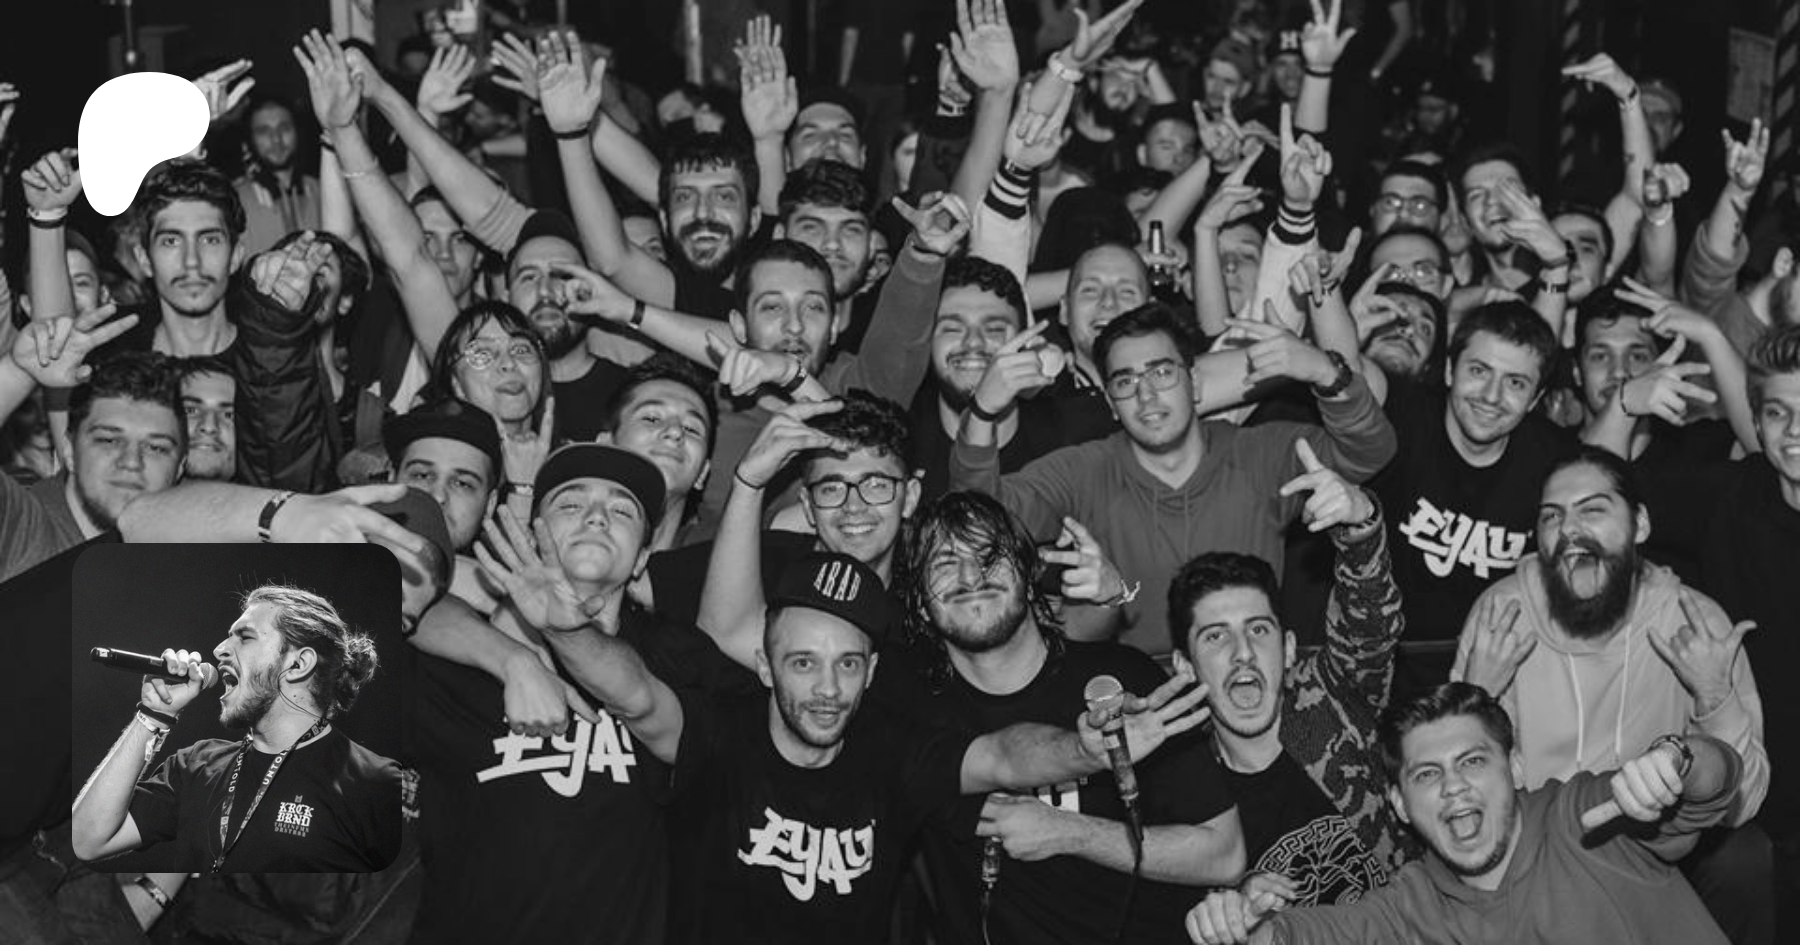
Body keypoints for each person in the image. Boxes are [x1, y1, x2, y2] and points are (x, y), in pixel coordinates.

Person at [498, 539, 1209, 945]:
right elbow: (636, 693)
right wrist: (563, 630)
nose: (827, 688)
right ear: (765, 665)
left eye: (847, 664)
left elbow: (999, 754)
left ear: (871, 672)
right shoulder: (720, 731)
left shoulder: (892, 750)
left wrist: (1086, 750)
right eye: (803, 662)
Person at [881, 491, 1245, 945]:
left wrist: (1072, 833)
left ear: (1029, 574)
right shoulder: (911, 706)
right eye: (945, 563)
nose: (971, 576)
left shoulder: (1122, 681)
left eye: (990, 556)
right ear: (918, 602)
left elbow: (1225, 854)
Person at [1452, 446, 1772, 943]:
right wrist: (1476, 695)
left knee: (1744, 857)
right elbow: (1458, 790)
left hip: (1659, 845)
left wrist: (1714, 695)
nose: (1568, 530)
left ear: (1639, 525)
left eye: (1593, 510)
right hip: (1540, 848)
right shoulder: (1502, 616)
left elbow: (1744, 800)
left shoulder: (1692, 621)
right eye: (1551, 516)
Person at [953, 303, 1396, 653]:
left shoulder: (1260, 454)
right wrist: (983, 412)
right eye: (1125, 382)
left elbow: (1368, 451)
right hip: (1138, 698)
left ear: (1195, 385)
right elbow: (978, 525)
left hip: (1253, 677)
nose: (1146, 395)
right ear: (1111, 404)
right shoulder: (1085, 470)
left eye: (1162, 372)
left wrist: (1326, 372)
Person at [1186, 682, 1744, 945]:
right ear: (1399, 805)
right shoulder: (1410, 905)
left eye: (1473, 761)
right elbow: (1298, 937)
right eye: (1427, 774)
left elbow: (1715, 782)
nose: (1453, 787)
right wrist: (1238, 925)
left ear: (1516, 767)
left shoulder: (1582, 817)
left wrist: (1676, 757)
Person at [1168, 441, 1410, 910]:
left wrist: (1359, 525)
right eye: (1216, 636)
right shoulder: (1186, 790)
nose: (1242, 652)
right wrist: (1235, 909)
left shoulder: (1331, 699)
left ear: (1290, 648)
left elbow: (1371, 624)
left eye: (1258, 629)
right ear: (1184, 667)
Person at [70, 585, 401, 872]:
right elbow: (88, 841)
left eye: (244, 637)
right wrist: (154, 715)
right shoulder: (195, 764)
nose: (219, 650)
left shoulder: (379, 783)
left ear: (298, 664)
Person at [1370, 300, 1574, 696]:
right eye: (1479, 371)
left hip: (1499, 672)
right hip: (1377, 663)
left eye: (1516, 383)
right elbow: (1344, 376)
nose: (1492, 396)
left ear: (1536, 400)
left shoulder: (1551, 460)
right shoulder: (1406, 417)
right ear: (1450, 370)